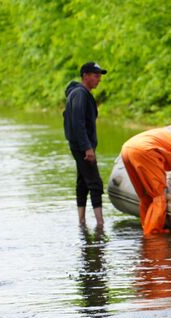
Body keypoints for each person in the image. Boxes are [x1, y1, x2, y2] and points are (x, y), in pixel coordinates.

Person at [63, 62, 108, 227]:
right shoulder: (80, 95)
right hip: (82, 147)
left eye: (100, 76)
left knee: (83, 181)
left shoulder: (78, 94)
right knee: (95, 183)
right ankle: (100, 224)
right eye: (96, 76)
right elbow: (78, 122)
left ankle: (81, 221)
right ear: (85, 76)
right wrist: (87, 147)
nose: (99, 80)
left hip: (80, 145)